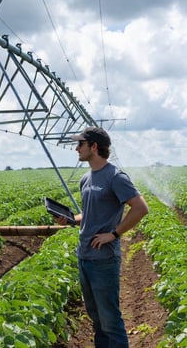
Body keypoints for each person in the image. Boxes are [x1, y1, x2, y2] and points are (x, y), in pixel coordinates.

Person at [55, 126, 148, 348]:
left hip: (104, 260)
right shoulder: (86, 178)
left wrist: (114, 234)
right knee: (96, 319)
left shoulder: (115, 177)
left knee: (110, 321)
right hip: (85, 256)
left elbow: (140, 208)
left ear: (94, 147)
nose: (76, 148)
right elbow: (89, 213)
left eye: (80, 144)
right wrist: (70, 218)